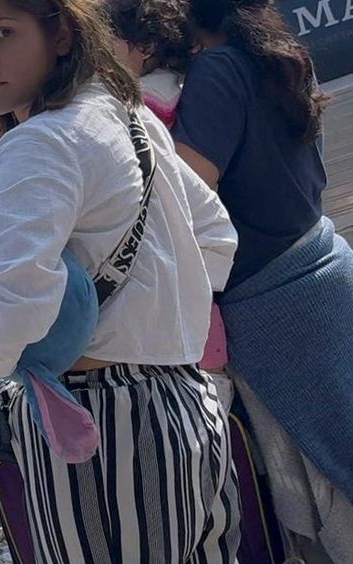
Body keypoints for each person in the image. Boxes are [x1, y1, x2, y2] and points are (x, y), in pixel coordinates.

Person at [0, 0, 241, 564]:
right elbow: (216, 238)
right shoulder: (124, 116)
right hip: (188, 402)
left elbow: (4, 315)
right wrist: (154, 316)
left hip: (99, 424)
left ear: (60, 32)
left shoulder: (39, 143)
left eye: (3, 33)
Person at [173, 0, 353, 564]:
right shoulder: (283, 59)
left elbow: (186, 198)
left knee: (334, 483)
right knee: (352, 455)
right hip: (325, 268)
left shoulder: (216, 72)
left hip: (277, 305)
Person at [104, 0, 233, 405]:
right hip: (199, 264)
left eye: (106, 43)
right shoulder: (184, 85)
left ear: (140, 46)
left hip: (170, 258)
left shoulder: (138, 104)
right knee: (212, 371)